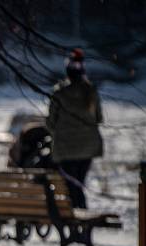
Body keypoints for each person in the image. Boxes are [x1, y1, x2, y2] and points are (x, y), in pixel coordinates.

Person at [46, 48, 103, 209]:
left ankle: (77, 224)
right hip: (88, 149)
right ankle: (81, 224)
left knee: (72, 188)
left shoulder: (59, 93)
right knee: (78, 185)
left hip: (65, 149)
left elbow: (51, 123)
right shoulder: (91, 92)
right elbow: (99, 118)